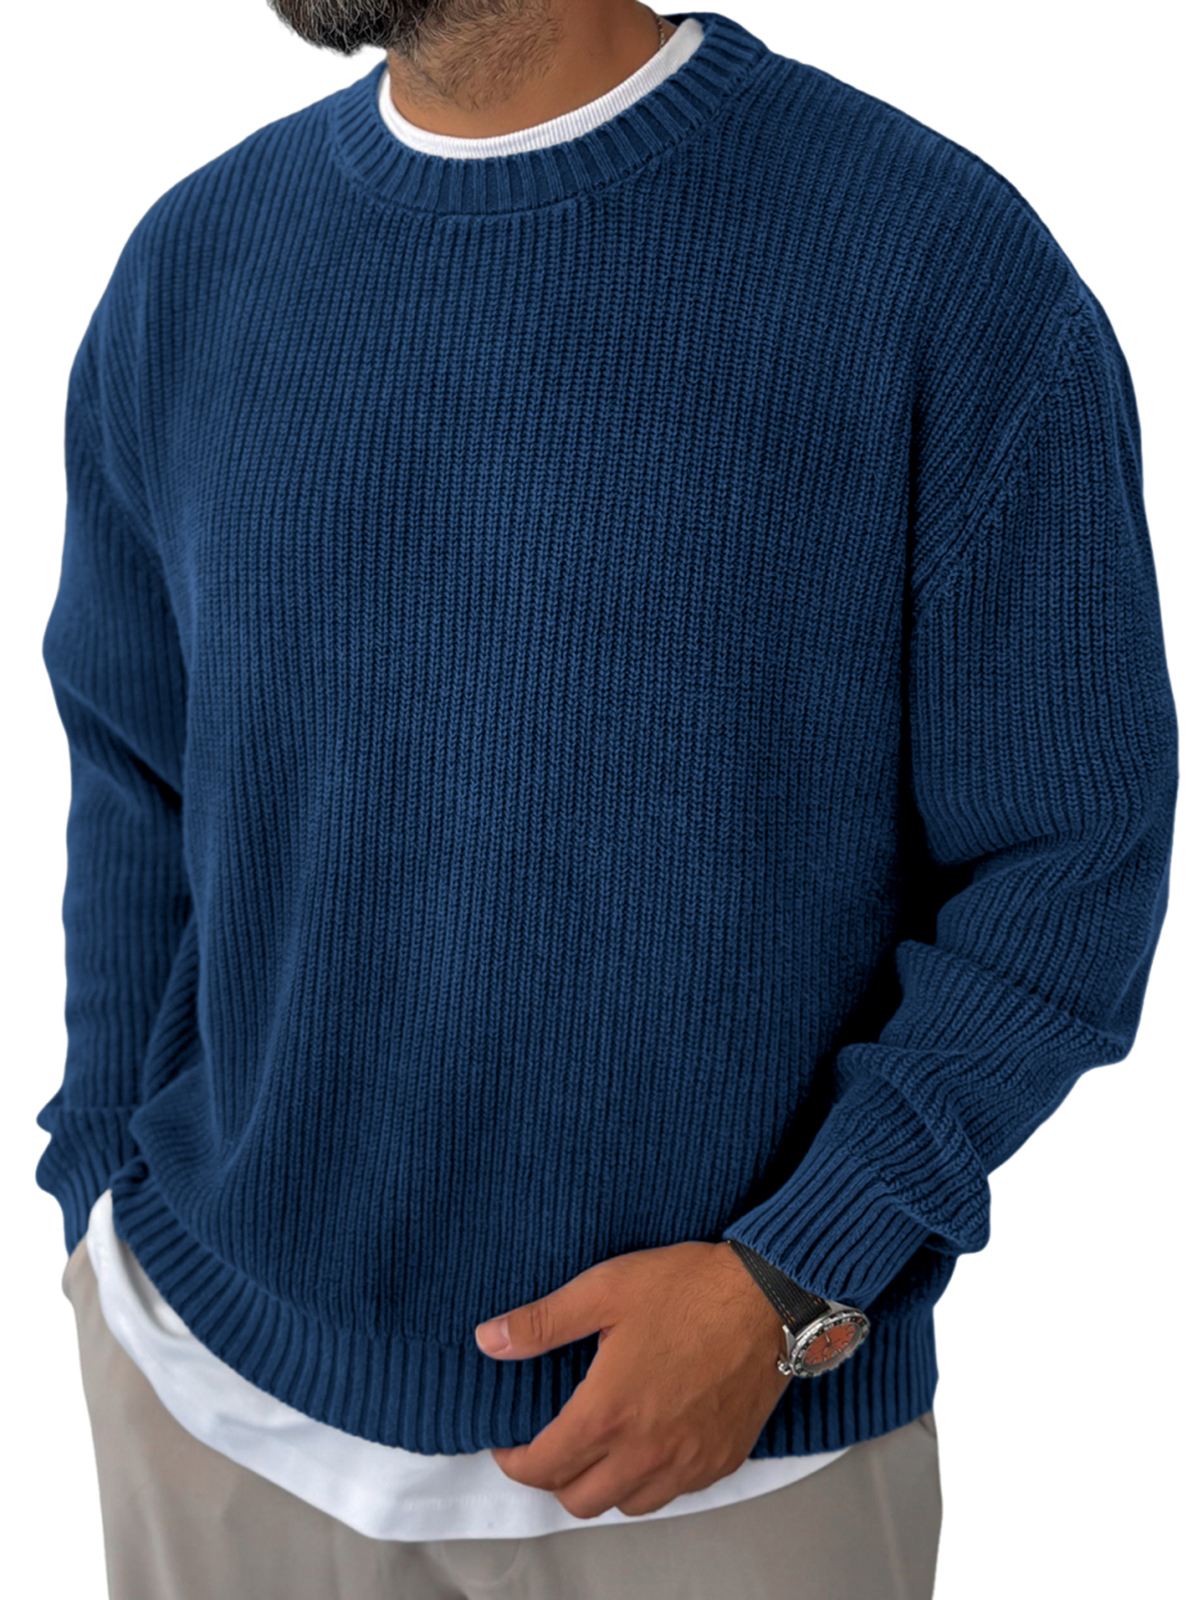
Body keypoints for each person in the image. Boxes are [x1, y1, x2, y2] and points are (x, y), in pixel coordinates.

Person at [37, 3, 1177, 1597]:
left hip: (731, 1467)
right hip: (208, 1402)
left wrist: (797, 1281)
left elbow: (1069, 861)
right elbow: (133, 775)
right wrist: (96, 1182)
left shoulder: (933, 265)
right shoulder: (198, 261)